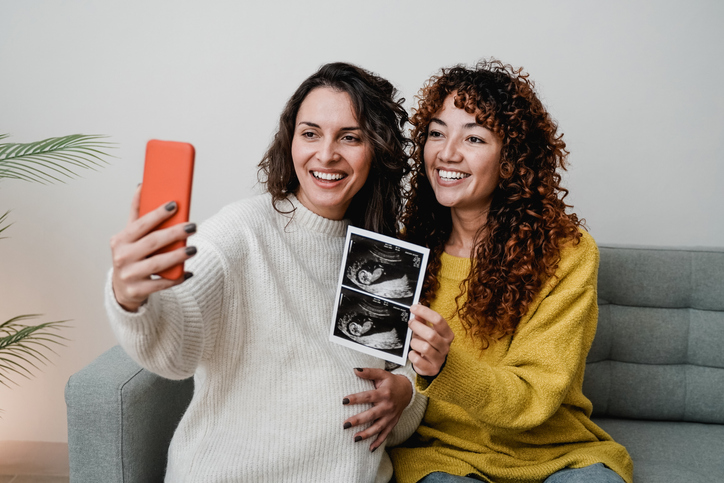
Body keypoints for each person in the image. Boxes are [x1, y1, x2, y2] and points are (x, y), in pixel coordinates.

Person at [106, 62, 426, 482]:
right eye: (310, 133)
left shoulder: (381, 255)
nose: (326, 154)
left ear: (377, 150)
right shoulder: (241, 231)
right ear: (290, 142)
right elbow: (174, 350)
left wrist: (404, 392)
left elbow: (389, 424)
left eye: (350, 137)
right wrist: (132, 297)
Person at [390, 60, 634, 483]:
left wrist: (445, 368)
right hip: (444, 457)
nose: (447, 153)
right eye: (436, 133)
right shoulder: (405, 251)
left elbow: (535, 397)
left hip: (556, 454)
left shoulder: (568, 254)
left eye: (474, 137)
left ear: (511, 158)